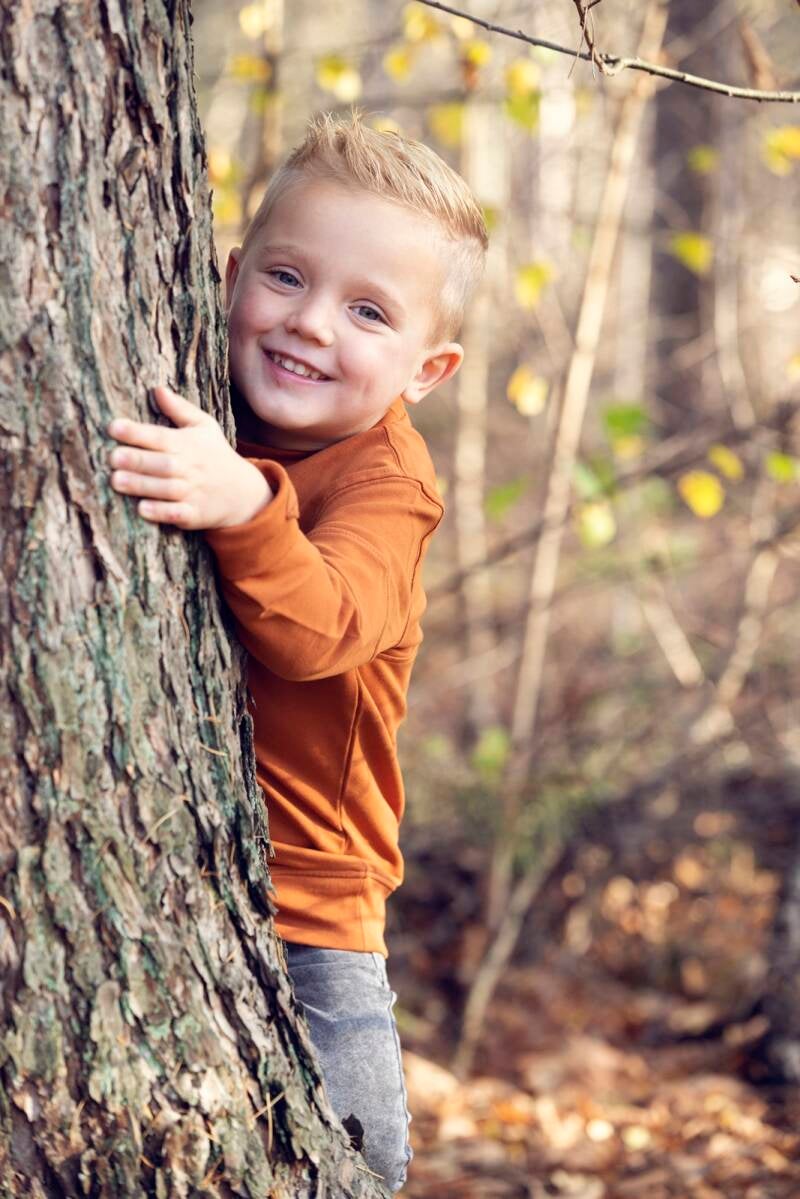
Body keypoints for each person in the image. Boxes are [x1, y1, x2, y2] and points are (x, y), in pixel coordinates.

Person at [106, 112, 488, 1193]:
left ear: (429, 367)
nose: (310, 324)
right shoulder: (225, 398)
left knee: (356, 1160)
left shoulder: (385, 484)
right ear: (225, 273)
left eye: (367, 311)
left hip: (313, 894)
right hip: (176, 856)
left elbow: (321, 629)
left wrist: (242, 502)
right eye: (284, 277)